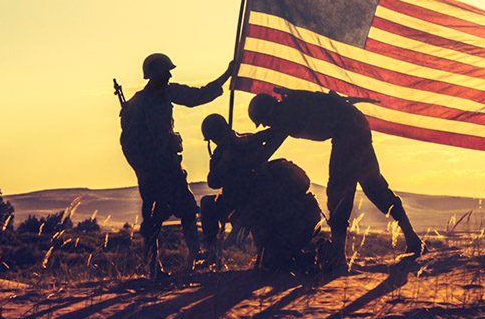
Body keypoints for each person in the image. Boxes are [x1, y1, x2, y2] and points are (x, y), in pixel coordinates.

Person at [248, 89, 424, 267]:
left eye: (264, 121)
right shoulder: (288, 109)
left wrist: (251, 163)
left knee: (339, 193)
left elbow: (270, 145)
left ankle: (338, 257)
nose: (265, 125)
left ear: (269, 112)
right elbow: (272, 134)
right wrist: (247, 140)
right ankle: (413, 240)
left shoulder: (285, 113)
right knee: (374, 187)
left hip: (348, 134)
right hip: (356, 127)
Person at [119, 53, 236, 277]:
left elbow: (199, 95)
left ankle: (194, 257)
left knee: (188, 210)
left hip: (170, 166)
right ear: (153, 75)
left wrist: (227, 75)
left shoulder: (168, 93)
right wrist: (141, 170)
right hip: (152, 170)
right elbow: (128, 143)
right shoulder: (137, 104)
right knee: (153, 219)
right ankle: (153, 268)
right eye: (166, 72)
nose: (170, 75)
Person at [199, 113, 321, 273]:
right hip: (234, 201)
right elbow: (213, 182)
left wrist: (242, 146)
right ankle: (211, 252)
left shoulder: (245, 142)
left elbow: (261, 151)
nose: (217, 140)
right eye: (214, 137)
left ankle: (285, 258)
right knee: (207, 203)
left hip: (256, 201)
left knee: (271, 253)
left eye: (217, 135)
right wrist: (222, 165)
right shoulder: (219, 154)